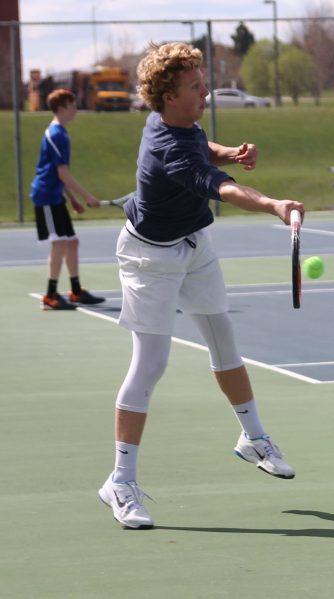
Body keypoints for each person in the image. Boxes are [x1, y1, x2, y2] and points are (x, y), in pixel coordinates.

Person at [97, 42, 305, 530]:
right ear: (168, 96)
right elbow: (223, 189)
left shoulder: (176, 124)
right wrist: (275, 204)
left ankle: (253, 438)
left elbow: (202, 147)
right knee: (151, 363)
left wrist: (228, 150)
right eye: (195, 87)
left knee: (223, 339)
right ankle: (119, 482)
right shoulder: (170, 148)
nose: (205, 92)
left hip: (194, 245)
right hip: (150, 259)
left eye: (202, 82)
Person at [30, 88, 105, 310]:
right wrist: (88, 197)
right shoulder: (56, 134)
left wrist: (71, 199)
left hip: (55, 195)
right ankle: (51, 295)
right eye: (72, 106)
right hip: (45, 196)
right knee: (60, 243)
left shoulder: (61, 133)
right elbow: (62, 172)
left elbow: (58, 172)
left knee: (72, 242)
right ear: (62, 108)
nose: (75, 109)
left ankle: (75, 291)